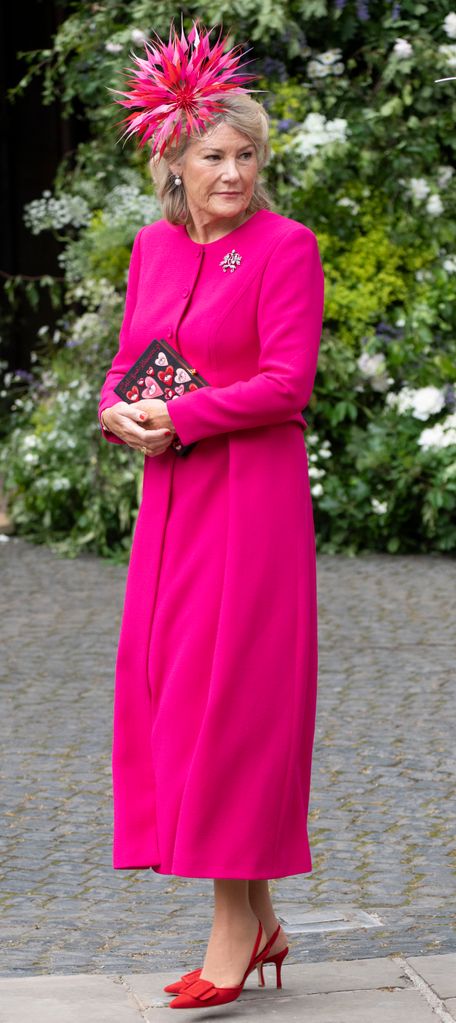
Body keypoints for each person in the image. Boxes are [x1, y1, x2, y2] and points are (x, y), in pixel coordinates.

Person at [98, 20, 324, 1011]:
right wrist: (120, 415)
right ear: (173, 163)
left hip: (251, 510)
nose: (233, 173)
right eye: (213, 156)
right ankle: (261, 920)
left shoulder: (286, 248)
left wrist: (178, 417)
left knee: (237, 701)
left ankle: (235, 932)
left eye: (246, 156)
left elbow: (287, 384)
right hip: (172, 512)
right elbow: (129, 365)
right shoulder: (153, 249)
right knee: (182, 697)